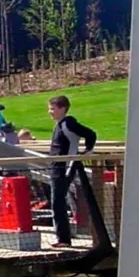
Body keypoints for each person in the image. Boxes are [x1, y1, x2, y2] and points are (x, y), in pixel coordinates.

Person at [47, 95, 98, 248]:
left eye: (52, 109)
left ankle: (63, 239)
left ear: (63, 109)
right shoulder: (59, 124)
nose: (50, 112)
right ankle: (62, 237)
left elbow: (90, 134)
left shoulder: (68, 123)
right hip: (56, 166)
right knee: (56, 201)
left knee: (58, 201)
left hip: (65, 167)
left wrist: (87, 151)